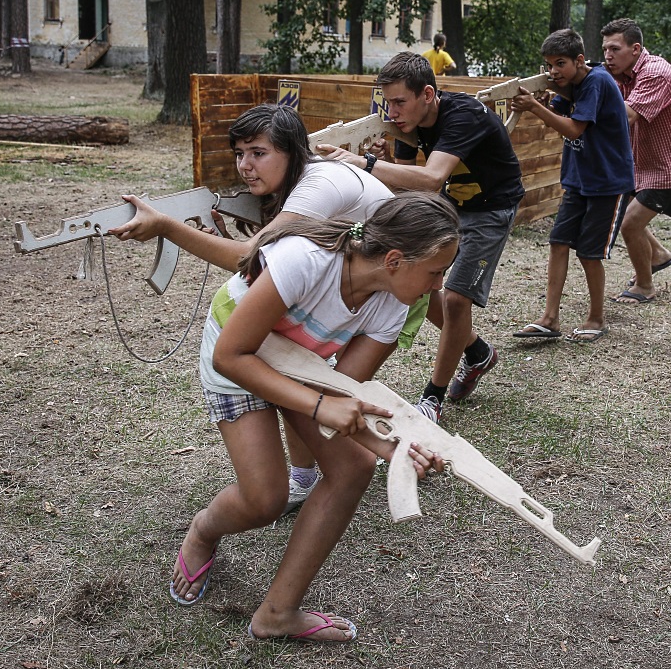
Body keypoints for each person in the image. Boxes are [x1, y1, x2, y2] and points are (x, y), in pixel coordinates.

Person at [171, 193, 459, 642]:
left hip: (302, 369)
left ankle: (277, 614)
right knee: (264, 501)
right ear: (396, 259)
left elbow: (338, 388)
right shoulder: (305, 260)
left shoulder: (394, 305)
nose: (438, 286)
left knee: (354, 466)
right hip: (239, 356)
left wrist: (392, 446)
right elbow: (232, 355)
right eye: (436, 272)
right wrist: (321, 407)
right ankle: (204, 530)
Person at [109, 104, 395, 515]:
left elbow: (249, 256)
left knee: (327, 393)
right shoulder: (302, 184)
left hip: (388, 289)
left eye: (258, 153)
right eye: (239, 153)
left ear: (294, 151)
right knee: (312, 389)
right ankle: (304, 476)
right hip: (353, 286)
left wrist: (169, 227)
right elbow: (266, 252)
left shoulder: (320, 183)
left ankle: (311, 473)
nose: (245, 165)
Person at [316, 52, 526, 423]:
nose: (392, 112)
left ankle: (432, 400)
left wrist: (365, 164)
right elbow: (412, 176)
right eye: (387, 102)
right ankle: (477, 351)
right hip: (449, 204)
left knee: (457, 300)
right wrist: (387, 162)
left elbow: (430, 177)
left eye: (399, 102)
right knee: (420, 284)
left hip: (492, 208)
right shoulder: (408, 123)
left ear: (427, 94)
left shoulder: (463, 115)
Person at [508, 29, 635, 344]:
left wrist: (535, 108)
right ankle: (549, 319)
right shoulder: (573, 86)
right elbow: (560, 116)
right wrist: (545, 100)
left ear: (579, 60)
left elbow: (574, 130)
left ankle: (596, 317)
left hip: (607, 183)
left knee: (590, 253)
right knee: (558, 242)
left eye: (560, 64)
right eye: (549, 65)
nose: (553, 71)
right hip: (578, 180)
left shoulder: (597, 82)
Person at [600, 18, 671, 305]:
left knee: (630, 223)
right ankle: (657, 255)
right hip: (645, 165)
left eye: (614, 49)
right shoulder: (625, 75)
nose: (608, 56)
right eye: (605, 50)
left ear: (635, 49)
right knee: (626, 213)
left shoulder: (655, 73)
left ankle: (645, 286)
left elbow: (625, 116)